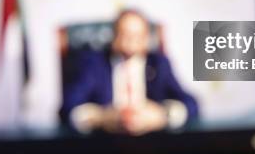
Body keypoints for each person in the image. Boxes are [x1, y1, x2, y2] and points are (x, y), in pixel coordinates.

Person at [60, 10, 199, 135]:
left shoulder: (158, 63)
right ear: (114, 36)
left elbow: (191, 104)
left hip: (152, 143)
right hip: (105, 144)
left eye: (138, 35)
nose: (132, 40)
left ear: (147, 38)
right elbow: (68, 107)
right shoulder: (94, 63)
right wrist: (102, 117)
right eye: (125, 34)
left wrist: (162, 115)